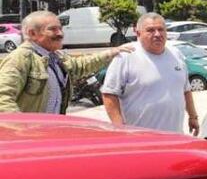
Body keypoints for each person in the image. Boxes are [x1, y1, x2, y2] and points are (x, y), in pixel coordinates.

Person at [0, 10, 130, 114]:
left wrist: (112, 52)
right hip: (31, 136)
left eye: (60, 28)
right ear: (32, 33)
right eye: (53, 29)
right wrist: (22, 129)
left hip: (52, 131)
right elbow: (3, 98)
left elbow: (80, 66)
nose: (60, 33)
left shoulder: (56, 57)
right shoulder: (20, 58)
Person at [101, 13, 198, 134]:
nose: (157, 34)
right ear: (138, 33)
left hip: (175, 137)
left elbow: (186, 90)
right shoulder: (126, 56)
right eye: (150, 30)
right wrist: (119, 128)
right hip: (141, 140)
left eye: (161, 29)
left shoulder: (176, 54)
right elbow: (109, 94)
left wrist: (193, 116)